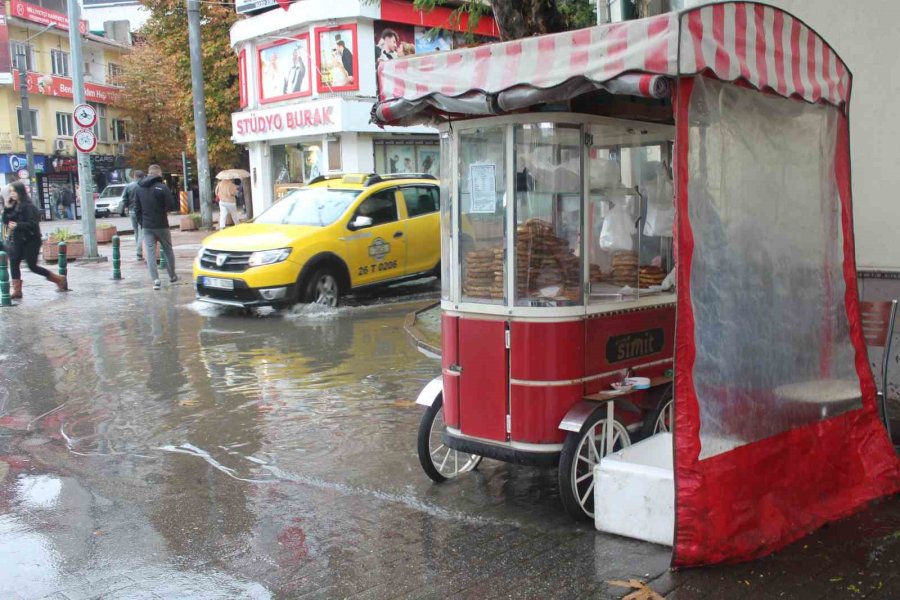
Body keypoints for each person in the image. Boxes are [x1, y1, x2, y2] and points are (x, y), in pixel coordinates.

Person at [2, 181, 66, 298]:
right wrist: (6, 208)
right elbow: (6, 221)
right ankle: (17, 291)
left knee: (32, 266)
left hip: (31, 241)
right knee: (14, 262)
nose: (12, 194)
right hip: (17, 240)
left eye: (14, 191)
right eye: (10, 191)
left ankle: (58, 279)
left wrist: (17, 225)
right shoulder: (14, 205)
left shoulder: (29, 206)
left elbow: (33, 224)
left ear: (20, 192)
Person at [134, 164, 177, 290]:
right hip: (162, 224)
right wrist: (163, 211)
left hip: (147, 226)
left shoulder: (139, 188)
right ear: (159, 174)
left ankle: (156, 280)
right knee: (168, 250)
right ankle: (172, 276)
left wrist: (142, 223)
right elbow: (171, 205)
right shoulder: (162, 187)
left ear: (148, 173)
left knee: (150, 253)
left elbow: (137, 209)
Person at [122, 169, 145, 261]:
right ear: (143, 177)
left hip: (132, 211)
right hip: (142, 211)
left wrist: (126, 207)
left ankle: (138, 250)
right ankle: (139, 252)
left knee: (136, 231)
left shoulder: (129, 186)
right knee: (141, 231)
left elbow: (124, 198)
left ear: (134, 176)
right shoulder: (143, 185)